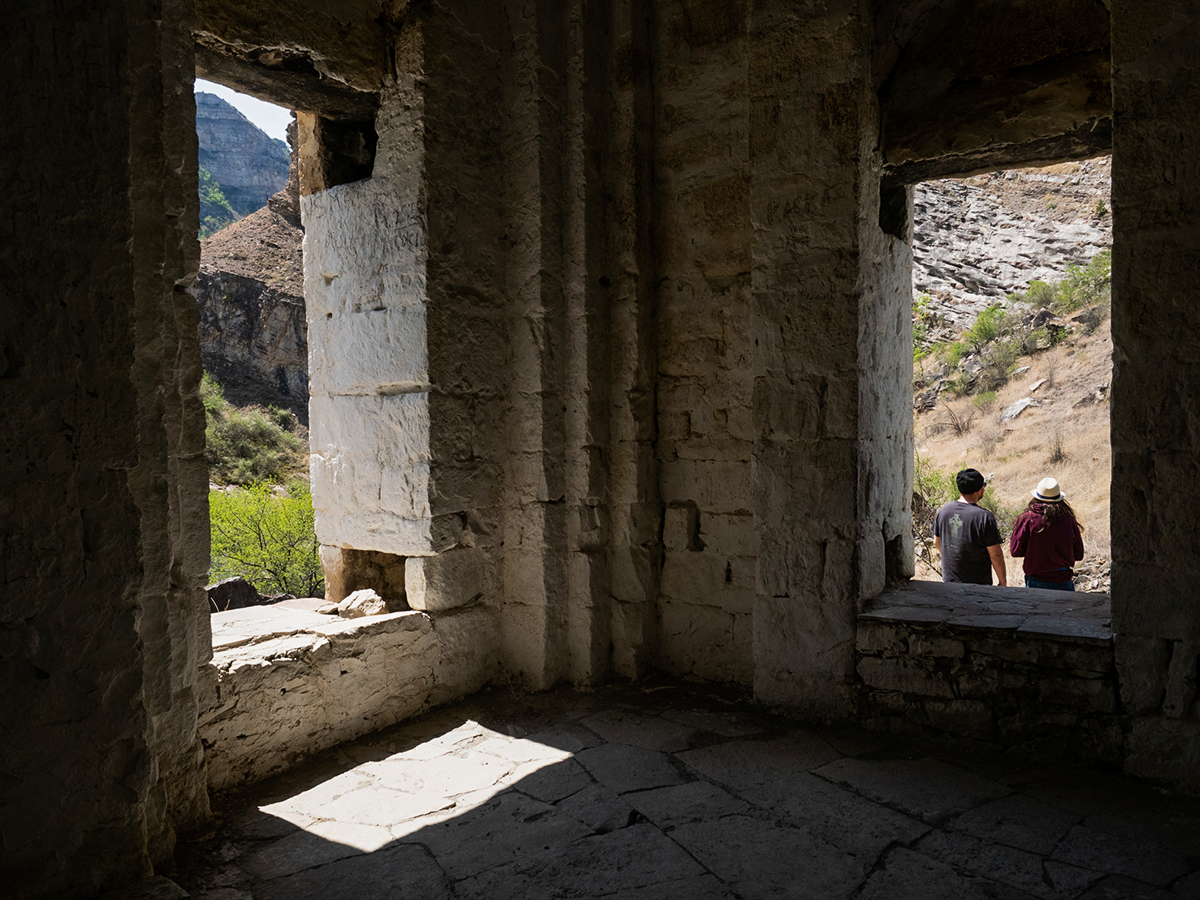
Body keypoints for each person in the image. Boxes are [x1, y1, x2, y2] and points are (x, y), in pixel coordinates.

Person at [933, 468, 1007, 585]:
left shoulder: (943, 511)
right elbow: (995, 554)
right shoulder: (984, 517)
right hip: (978, 585)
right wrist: (1003, 582)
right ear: (979, 490)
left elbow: (936, 542)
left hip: (950, 582)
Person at [1009, 476, 1084, 590]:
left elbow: (1015, 551)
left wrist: (1034, 551)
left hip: (1036, 579)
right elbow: (1078, 554)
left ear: (1036, 497)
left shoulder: (1028, 518)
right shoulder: (1068, 519)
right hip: (1063, 578)